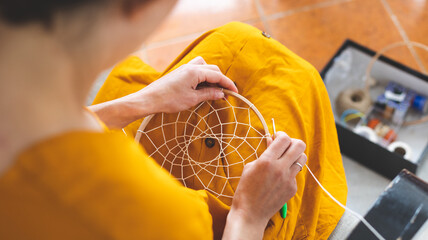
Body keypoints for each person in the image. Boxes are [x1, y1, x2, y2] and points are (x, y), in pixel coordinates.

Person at [0, 0, 347, 240]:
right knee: (285, 72)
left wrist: (138, 102)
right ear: (138, 7)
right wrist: (248, 216)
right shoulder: (164, 217)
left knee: (238, 41)